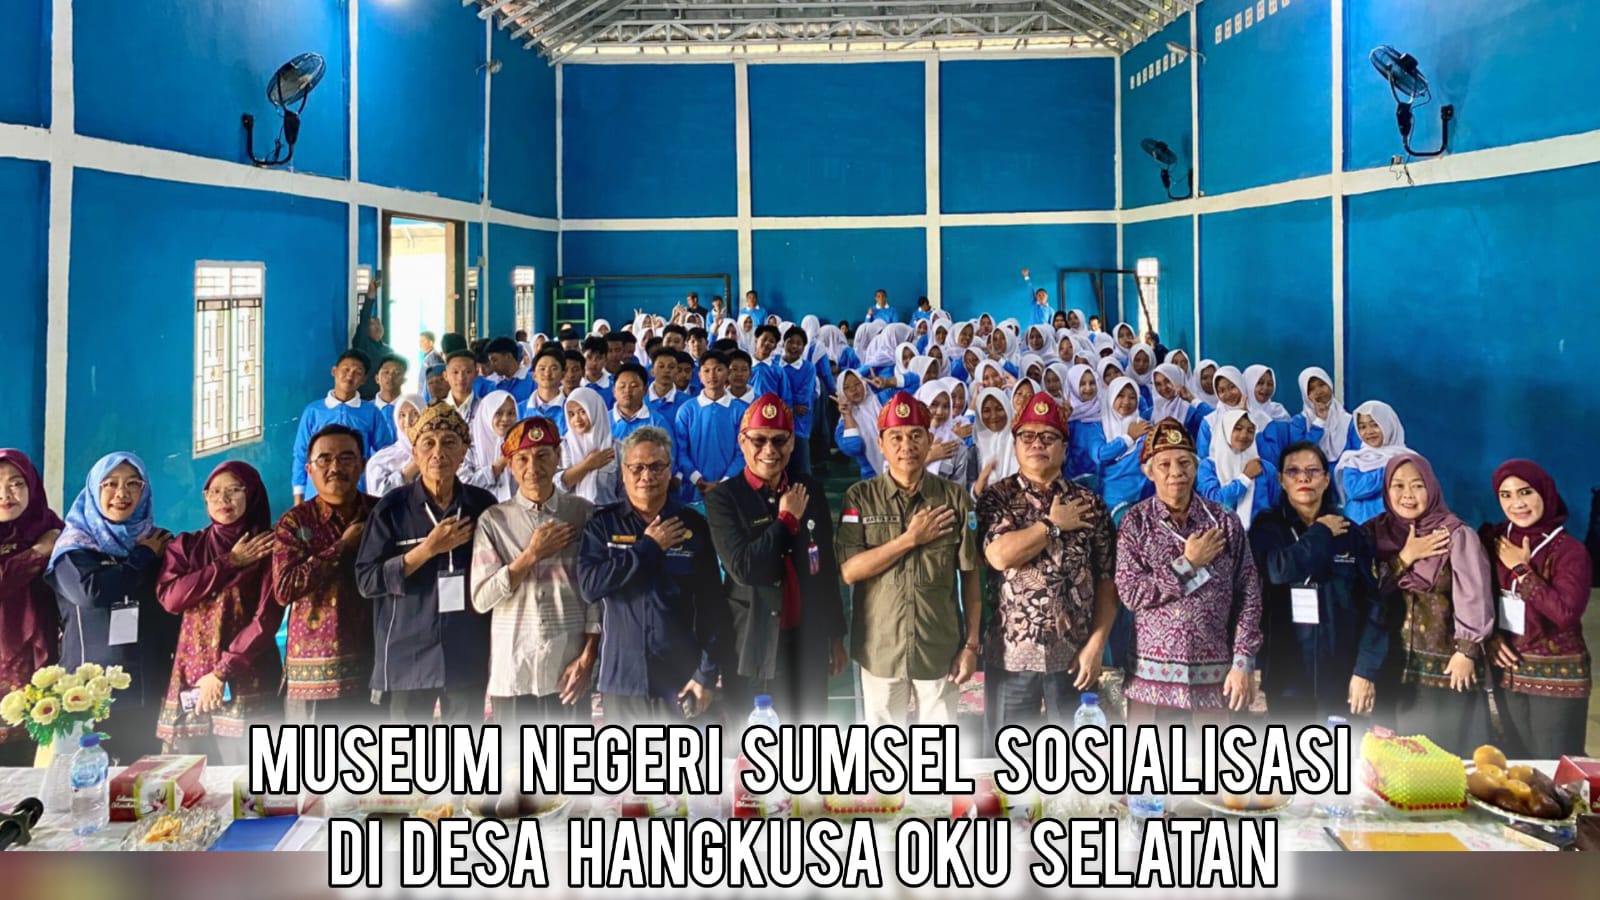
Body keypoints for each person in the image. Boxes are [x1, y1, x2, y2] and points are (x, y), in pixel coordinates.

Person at [836, 393, 981, 727]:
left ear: (930, 440)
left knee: (938, 748)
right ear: (881, 444)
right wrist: (909, 540)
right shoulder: (861, 497)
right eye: (896, 437)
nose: (907, 446)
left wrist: (971, 645)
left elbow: (971, 578)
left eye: (916, 435)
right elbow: (850, 571)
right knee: (885, 748)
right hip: (881, 647)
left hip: (938, 645)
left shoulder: (953, 498)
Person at [978, 394, 1117, 738]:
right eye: (1027, 436)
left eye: (1048, 437)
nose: (1037, 444)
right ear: (1015, 445)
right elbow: (999, 556)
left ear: (1064, 449)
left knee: (1076, 759)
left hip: (1074, 656)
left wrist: (1096, 646)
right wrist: (1052, 526)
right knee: (1010, 759)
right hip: (1011, 658)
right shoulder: (997, 498)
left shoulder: (1089, 504)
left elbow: (1107, 581)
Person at [705, 396, 846, 726]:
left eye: (779, 440)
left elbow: (824, 568)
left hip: (808, 637)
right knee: (759, 741)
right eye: (759, 440)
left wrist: (836, 636)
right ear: (742, 441)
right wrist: (786, 520)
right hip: (755, 641)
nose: (769, 450)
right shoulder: (724, 499)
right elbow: (745, 568)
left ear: (792, 442)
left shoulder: (808, 489)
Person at [1114, 419, 1262, 724]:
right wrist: (1188, 564)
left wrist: (1243, 661)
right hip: (1150, 682)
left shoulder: (1224, 521)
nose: (1176, 472)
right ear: (1149, 472)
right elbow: (1130, 593)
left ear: (1196, 468)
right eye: (1164, 464)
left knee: (1214, 755)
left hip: (1215, 678)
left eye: (1184, 463)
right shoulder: (1135, 522)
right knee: (1147, 756)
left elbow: (1249, 594)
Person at [356, 403, 497, 723]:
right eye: (428, 443)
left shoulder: (482, 505)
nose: (438, 453)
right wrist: (427, 550)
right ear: (415, 453)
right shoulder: (391, 508)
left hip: (467, 646)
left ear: (463, 452)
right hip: (408, 649)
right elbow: (367, 581)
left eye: (449, 442)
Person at [577, 427, 727, 724]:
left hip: (682, 680)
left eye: (656, 467)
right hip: (622, 681)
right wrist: (648, 547)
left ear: (670, 471)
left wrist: (706, 674)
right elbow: (590, 587)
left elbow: (713, 607)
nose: (647, 475)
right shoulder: (602, 525)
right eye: (637, 468)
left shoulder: (692, 525)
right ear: (624, 472)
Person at [46, 452, 177, 761]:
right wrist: (142, 557)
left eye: (133, 484)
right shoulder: (73, 548)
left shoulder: (157, 541)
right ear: (94, 489)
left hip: (146, 686)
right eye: (111, 484)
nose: (122, 493)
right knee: (85, 778)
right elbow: (92, 592)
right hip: (87, 695)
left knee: (140, 779)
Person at [470, 418, 599, 725]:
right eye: (522, 459)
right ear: (510, 465)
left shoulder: (582, 513)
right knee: (514, 756)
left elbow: (595, 594)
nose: (533, 468)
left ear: (558, 456)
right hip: (514, 671)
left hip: (568, 669)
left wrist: (589, 655)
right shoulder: (494, 521)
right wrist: (531, 555)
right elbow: (481, 599)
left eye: (542, 456)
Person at [154, 462, 283, 763]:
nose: (223, 499)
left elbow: (265, 620)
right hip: (191, 679)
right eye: (214, 492)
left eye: (234, 490)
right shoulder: (187, 546)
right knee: (193, 776)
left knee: (249, 777)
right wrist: (229, 562)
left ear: (252, 494)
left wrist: (221, 673)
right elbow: (171, 598)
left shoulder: (268, 547)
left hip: (248, 677)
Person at [1250, 442, 1386, 724]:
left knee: (1339, 750)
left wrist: (1365, 670)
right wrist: (1321, 532)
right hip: (1286, 674)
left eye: (1313, 471)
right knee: (1287, 749)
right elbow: (1277, 570)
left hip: (1340, 674)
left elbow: (1374, 607)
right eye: (1293, 472)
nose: (1304, 478)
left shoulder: (1350, 534)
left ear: (1326, 479)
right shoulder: (1267, 529)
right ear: (1281, 480)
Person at [1368, 453, 1494, 755]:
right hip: (1392, 667)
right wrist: (1406, 556)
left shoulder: (1456, 535)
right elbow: (1368, 589)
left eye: (1417, 485)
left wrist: (1466, 651)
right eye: (1398, 485)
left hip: (1447, 668)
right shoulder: (1374, 532)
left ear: (1432, 488)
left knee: (1444, 755)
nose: (1407, 495)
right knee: (1394, 758)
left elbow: (1474, 595)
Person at [1479, 460, 1592, 757]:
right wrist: (1490, 638)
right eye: (1506, 495)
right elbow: (1481, 597)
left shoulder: (1569, 551)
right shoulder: (1494, 541)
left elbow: (1565, 613)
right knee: (1514, 765)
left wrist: (1521, 570)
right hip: (1507, 672)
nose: (1517, 503)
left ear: (1545, 492)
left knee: (1554, 768)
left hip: (1556, 679)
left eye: (1525, 492)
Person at [274, 424, 377, 722]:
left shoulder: (380, 513)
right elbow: (284, 588)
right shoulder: (294, 522)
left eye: (346, 458)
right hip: (314, 673)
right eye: (325, 459)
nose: (335, 468)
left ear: (362, 464)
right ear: (309, 469)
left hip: (373, 660)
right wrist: (341, 547)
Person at [0, 450, 63, 766]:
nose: (5, 494)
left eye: (16, 483)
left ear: (32, 487)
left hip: (39, 662)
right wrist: (38, 553)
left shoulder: (51, 528)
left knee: (27, 764)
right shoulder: (47, 540)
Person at [291, 349, 393, 502]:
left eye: (358, 373)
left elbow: (385, 452)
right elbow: (301, 454)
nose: (350, 376)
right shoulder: (313, 411)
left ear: (364, 380)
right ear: (334, 371)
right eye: (346, 369)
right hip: (317, 492)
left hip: (357, 490)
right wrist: (298, 496)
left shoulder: (371, 412)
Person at [673, 351, 747, 499]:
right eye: (706, 370)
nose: (712, 375)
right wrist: (697, 479)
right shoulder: (687, 410)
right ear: (699, 375)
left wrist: (724, 482)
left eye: (718, 369)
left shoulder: (740, 411)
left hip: (731, 487)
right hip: (693, 488)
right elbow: (680, 450)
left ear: (728, 373)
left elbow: (743, 451)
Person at [1197, 409, 1279, 531]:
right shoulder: (1208, 466)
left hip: (1262, 534)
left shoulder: (1265, 468)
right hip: (1221, 533)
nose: (1244, 435)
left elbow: (1274, 505)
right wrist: (1245, 478)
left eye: (1250, 431)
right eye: (1238, 428)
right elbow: (1213, 502)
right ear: (1226, 430)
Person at [1336, 400, 1408, 524]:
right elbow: (1354, 490)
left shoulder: (1407, 459)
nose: (1369, 432)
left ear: (1388, 424)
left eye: (1375, 425)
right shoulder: (1353, 459)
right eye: (1362, 427)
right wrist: (1389, 471)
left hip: (1394, 527)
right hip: (1358, 528)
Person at [1096, 377, 1154, 519]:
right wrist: (1128, 438)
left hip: (1143, 495)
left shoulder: (1144, 426)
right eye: (1120, 396)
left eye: (1132, 397)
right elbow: (1100, 456)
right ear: (1111, 397)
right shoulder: (1100, 425)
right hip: (1112, 495)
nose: (1126, 402)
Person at [559, 387, 619, 506]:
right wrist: (588, 465)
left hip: (608, 514)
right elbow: (556, 486)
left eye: (583, 412)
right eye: (571, 414)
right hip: (571, 514)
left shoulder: (615, 448)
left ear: (595, 410)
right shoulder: (562, 448)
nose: (577, 419)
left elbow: (624, 490)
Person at [460, 390, 520, 501]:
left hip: (516, 509)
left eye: (511, 413)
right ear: (487, 413)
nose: (505, 419)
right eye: (498, 413)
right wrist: (494, 470)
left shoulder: (522, 444)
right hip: (480, 508)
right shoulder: (469, 446)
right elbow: (463, 486)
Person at [1289, 367, 1355, 462]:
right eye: (1311, 389)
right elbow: (1301, 454)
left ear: (1329, 384)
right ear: (1305, 394)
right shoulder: (1298, 423)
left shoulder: (1348, 421)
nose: (1318, 391)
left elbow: (1356, 454)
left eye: (1322, 385)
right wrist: (1319, 422)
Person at [776, 327, 817, 479]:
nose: (794, 346)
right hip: (777, 422)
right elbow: (771, 392)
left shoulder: (808, 368)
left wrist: (782, 403)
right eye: (790, 342)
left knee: (801, 468)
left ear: (804, 347)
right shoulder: (775, 364)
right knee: (779, 467)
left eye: (799, 343)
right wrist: (792, 406)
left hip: (799, 424)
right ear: (783, 343)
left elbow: (804, 397)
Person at [366, 394, 424, 498]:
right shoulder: (381, 460)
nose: (408, 421)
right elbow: (379, 498)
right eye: (402, 415)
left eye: (415, 413)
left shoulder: (438, 454)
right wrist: (412, 468)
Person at [834, 369, 885, 480]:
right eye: (846, 387)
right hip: (872, 478)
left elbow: (914, 383)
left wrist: (887, 383)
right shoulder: (843, 425)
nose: (853, 389)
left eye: (857, 384)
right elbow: (853, 448)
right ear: (841, 393)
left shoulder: (882, 400)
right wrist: (848, 415)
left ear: (864, 384)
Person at [611, 363, 670, 442]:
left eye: (634, 386)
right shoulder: (603, 419)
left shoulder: (658, 422)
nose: (627, 390)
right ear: (614, 391)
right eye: (622, 386)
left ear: (645, 390)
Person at [524, 348, 569, 434]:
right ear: (534, 375)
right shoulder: (520, 409)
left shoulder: (570, 408)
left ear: (563, 374)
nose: (547, 373)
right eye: (542, 369)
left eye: (554, 368)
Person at [645, 350, 688, 425]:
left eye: (671, 367)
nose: (666, 370)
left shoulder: (687, 403)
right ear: (652, 371)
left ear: (677, 372)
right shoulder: (640, 401)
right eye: (661, 366)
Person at [439, 350, 482, 424]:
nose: (461, 378)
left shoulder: (484, 407)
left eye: (468, 372)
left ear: (476, 373)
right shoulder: (437, 410)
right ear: (445, 376)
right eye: (455, 372)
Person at [579, 337, 615, 407]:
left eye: (599, 358)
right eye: (589, 357)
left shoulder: (614, 384)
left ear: (606, 359)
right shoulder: (576, 383)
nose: (594, 363)